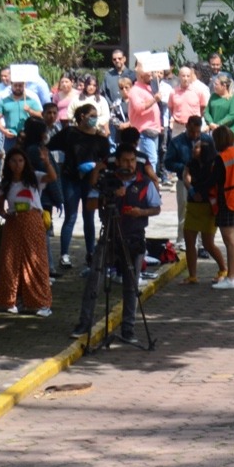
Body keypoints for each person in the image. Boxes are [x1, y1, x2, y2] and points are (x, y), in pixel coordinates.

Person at [74, 145, 160, 341]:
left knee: (131, 286)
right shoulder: (106, 181)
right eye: (125, 161)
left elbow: (156, 208)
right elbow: (89, 204)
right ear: (118, 162)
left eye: (132, 161)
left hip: (134, 238)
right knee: (94, 281)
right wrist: (109, 195)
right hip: (109, 237)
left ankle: (128, 328)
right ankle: (84, 324)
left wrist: (141, 212)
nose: (129, 165)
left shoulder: (145, 182)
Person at [0, 148, 54, 317]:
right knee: (11, 261)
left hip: (33, 221)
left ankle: (42, 302)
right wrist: (9, 214)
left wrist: (47, 161)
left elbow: (52, 177)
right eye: (13, 161)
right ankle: (12, 299)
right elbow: (0, 209)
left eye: (20, 161)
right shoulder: (6, 183)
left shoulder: (34, 178)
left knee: (36, 261)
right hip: (13, 223)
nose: (17, 165)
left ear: (25, 162)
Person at [48, 104, 108, 268]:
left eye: (96, 115)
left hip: (91, 182)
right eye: (92, 115)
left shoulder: (100, 139)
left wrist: (96, 167)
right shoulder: (70, 133)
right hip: (71, 179)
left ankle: (90, 253)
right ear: (82, 116)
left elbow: (107, 159)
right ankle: (64, 254)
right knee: (71, 216)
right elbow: (50, 145)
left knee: (89, 217)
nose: (94, 118)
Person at [181, 130, 226, 285]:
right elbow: (185, 175)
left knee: (208, 243)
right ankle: (192, 275)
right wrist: (190, 189)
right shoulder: (191, 163)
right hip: (193, 206)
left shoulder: (214, 163)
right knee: (189, 241)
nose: (194, 149)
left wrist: (202, 192)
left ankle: (223, 268)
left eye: (198, 147)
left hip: (208, 206)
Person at [211, 127, 234, 288]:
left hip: (226, 199)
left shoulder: (222, 158)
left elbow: (214, 180)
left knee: (230, 240)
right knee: (233, 238)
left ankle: (231, 277)